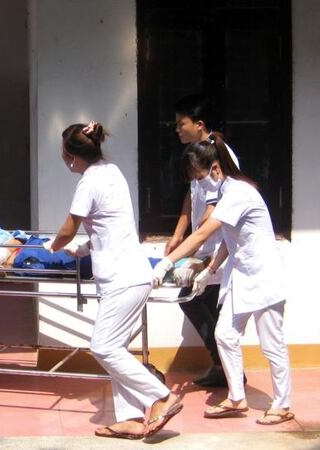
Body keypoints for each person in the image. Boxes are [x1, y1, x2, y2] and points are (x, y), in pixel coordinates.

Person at [47, 121, 182, 439]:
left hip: (123, 278)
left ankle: (161, 397)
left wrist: (51, 247)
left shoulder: (89, 182)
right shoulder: (111, 171)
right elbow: (110, 223)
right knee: (116, 348)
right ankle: (132, 418)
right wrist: (87, 245)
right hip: (129, 275)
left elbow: (68, 228)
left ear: (69, 155)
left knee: (103, 347)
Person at [152, 135, 294, 426]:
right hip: (240, 277)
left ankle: (283, 404)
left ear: (216, 168)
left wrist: (167, 262)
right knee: (224, 335)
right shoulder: (227, 194)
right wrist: (210, 269)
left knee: (272, 344)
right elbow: (231, 239)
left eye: (200, 178)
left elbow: (203, 233)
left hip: (264, 276)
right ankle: (236, 398)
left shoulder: (238, 193)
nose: (200, 186)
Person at [166, 94, 241, 388]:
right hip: (202, 244)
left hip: (219, 246)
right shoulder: (197, 153)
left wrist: (193, 244)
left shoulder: (221, 156)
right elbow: (192, 197)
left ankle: (227, 369)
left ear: (198, 124)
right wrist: (177, 233)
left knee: (198, 302)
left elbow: (213, 209)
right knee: (194, 300)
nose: (177, 129)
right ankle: (222, 365)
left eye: (180, 123)